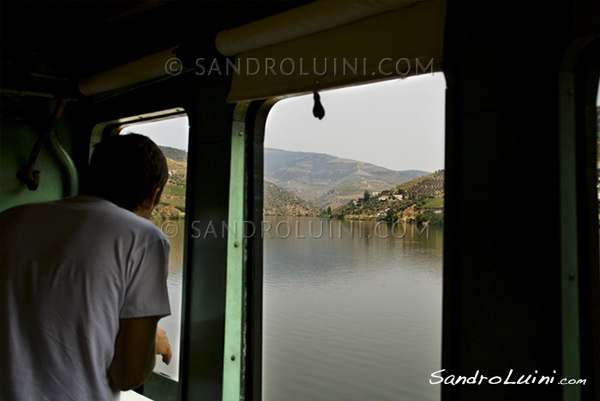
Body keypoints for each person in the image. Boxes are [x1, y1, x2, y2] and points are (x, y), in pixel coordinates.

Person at [1, 133, 173, 400]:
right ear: (153, 196)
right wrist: (151, 344)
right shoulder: (144, 239)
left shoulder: (9, 220)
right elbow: (128, 375)